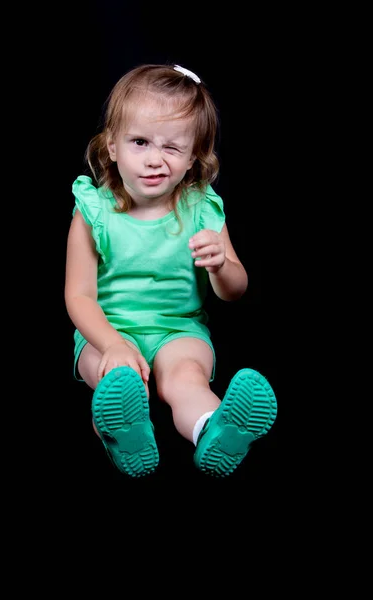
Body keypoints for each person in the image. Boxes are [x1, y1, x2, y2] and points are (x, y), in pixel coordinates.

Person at [65, 63, 277, 478]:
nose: (154, 160)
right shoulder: (94, 210)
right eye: (140, 142)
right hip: (107, 328)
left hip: (179, 328)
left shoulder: (201, 209)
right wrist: (111, 343)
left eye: (172, 148)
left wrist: (221, 264)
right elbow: (79, 295)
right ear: (111, 146)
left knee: (185, 379)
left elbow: (235, 289)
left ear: (192, 159)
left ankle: (215, 429)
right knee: (117, 377)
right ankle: (124, 432)